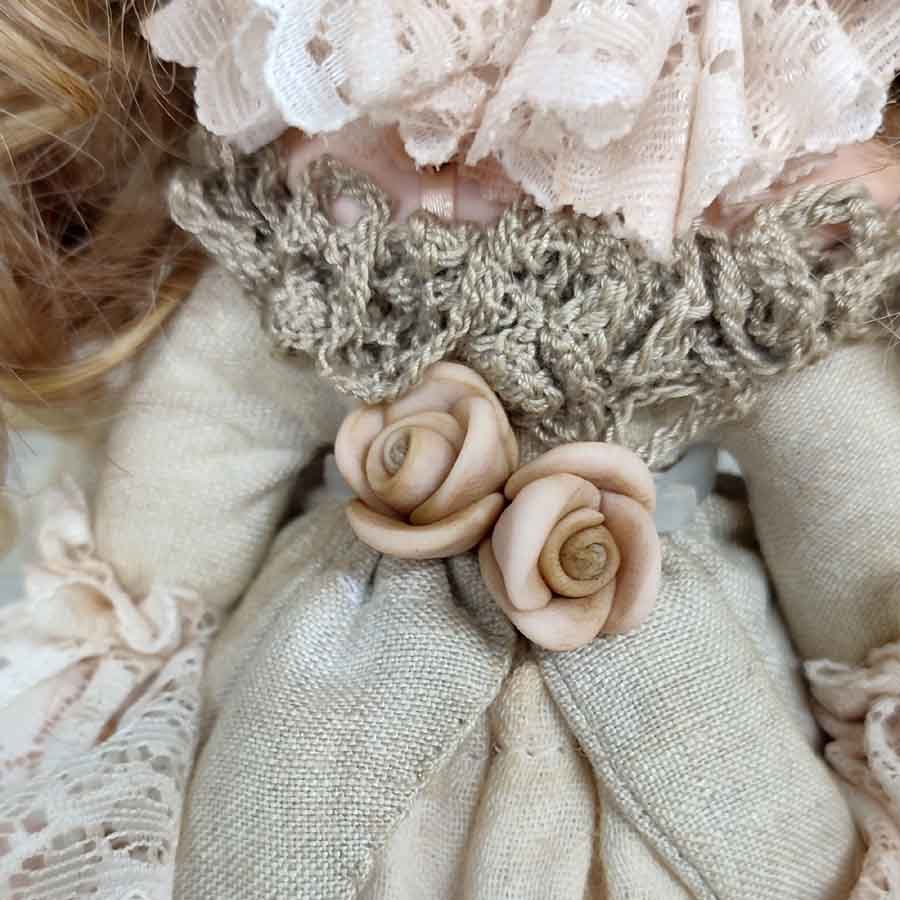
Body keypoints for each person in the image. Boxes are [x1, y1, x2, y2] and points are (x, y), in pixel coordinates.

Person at [2, 2, 900, 897]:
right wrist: (128, 618)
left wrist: (878, 666)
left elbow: (839, 485)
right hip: (339, 658)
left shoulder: (757, 171)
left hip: (671, 669)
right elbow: (228, 406)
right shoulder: (340, 154)